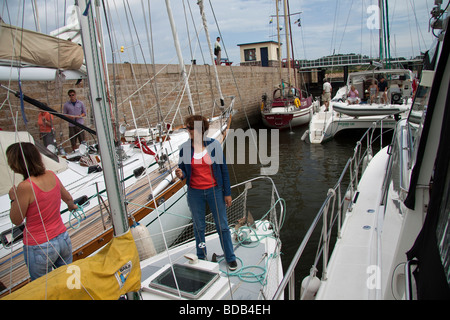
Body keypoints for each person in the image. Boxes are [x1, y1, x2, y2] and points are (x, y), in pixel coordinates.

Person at [6, 142, 77, 281]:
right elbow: (68, 198)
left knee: (42, 289)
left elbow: (16, 219)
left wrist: (13, 198)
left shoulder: (25, 187)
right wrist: (71, 206)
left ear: (17, 163)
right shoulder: (51, 175)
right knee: (69, 282)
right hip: (62, 238)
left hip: (39, 246)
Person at [175, 115, 237, 271]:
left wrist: (227, 193)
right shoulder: (185, 148)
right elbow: (183, 169)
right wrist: (181, 174)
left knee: (222, 226)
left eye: (190, 128)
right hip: (195, 193)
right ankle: (201, 256)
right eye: (187, 127)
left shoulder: (214, 145)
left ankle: (230, 257)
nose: (188, 130)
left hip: (214, 191)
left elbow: (223, 170)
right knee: (198, 227)